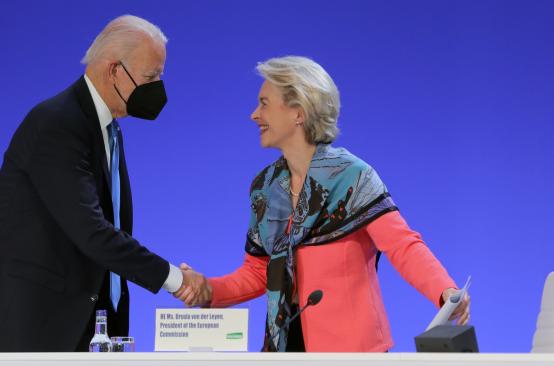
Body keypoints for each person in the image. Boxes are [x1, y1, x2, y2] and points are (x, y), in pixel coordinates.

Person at [176, 56, 470, 352]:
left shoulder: (354, 177)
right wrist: (207, 288)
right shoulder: (263, 188)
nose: (254, 114)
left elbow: (402, 245)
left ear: (298, 112)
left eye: (264, 103)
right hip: (283, 347)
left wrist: (444, 292)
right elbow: (258, 272)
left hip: (351, 351)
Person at [0, 15, 206, 352]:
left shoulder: (106, 129)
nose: (158, 88)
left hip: (89, 322)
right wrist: (174, 280)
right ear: (113, 70)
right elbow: (92, 231)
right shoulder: (58, 124)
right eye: (151, 77)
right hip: (35, 327)